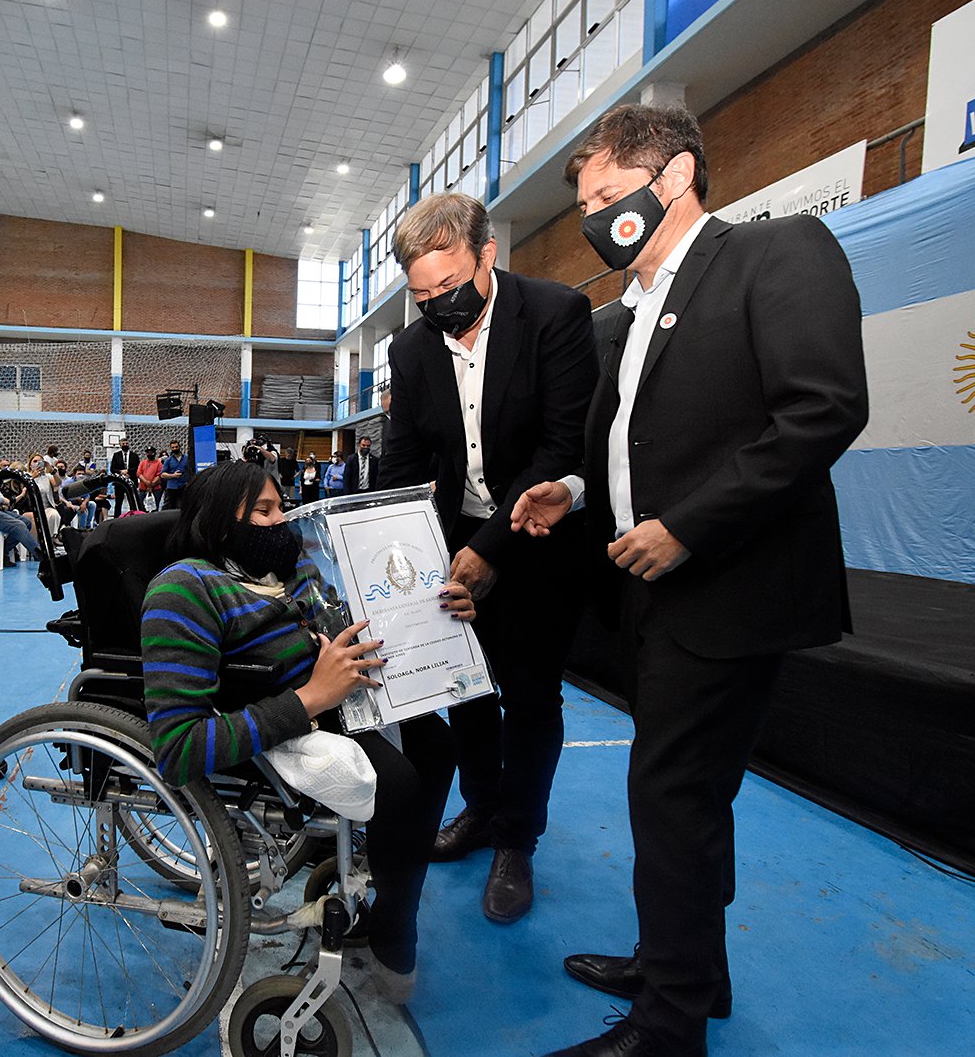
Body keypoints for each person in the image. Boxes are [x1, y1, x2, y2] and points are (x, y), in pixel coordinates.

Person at [513, 105, 868, 1057]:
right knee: (685, 797)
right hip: (648, 590)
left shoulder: (775, 253)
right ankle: (685, 969)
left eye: (602, 195)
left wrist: (686, 529)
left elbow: (822, 408)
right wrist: (575, 487)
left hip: (727, 585)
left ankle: (667, 1024)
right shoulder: (626, 311)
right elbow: (635, 445)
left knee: (669, 796)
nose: (592, 216)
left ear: (671, 178)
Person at [140, 461, 469, 1003]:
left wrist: (439, 616)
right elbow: (178, 749)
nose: (282, 519)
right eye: (264, 511)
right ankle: (393, 921)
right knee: (402, 785)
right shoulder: (185, 589)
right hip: (282, 721)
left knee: (438, 744)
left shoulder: (291, 573)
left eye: (281, 505)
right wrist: (312, 697)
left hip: (335, 703)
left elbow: (355, 631)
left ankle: (391, 894)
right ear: (222, 523)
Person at [377, 191, 596, 924]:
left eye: (450, 286)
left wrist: (488, 549)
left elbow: (563, 445)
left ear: (487, 254)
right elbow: (402, 466)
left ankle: (515, 839)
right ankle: (478, 809)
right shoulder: (409, 350)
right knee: (466, 690)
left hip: (537, 540)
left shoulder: (556, 314)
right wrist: (383, 553)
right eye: (422, 294)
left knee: (531, 698)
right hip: (452, 540)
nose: (438, 304)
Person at [108, 437, 140, 515]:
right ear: (120, 445)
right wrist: (121, 472)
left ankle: (134, 517)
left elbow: (137, 467)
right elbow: (112, 468)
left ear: (129, 444)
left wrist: (128, 471)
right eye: (123, 444)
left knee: (132, 501)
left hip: (131, 481)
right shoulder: (116, 455)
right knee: (118, 502)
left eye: (126, 443)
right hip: (119, 482)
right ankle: (116, 519)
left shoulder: (134, 455)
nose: (125, 445)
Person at [160, 439, 188, 510]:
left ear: (179, 446)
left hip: (184, 486)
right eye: (173, 447)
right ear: (170, 448)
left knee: (184, 505)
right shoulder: (168, 460)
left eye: (176, 447)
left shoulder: (187, 458)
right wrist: (173, 475)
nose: (175, 449)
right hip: (172, 487)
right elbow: (163, 474)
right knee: (171, 506)